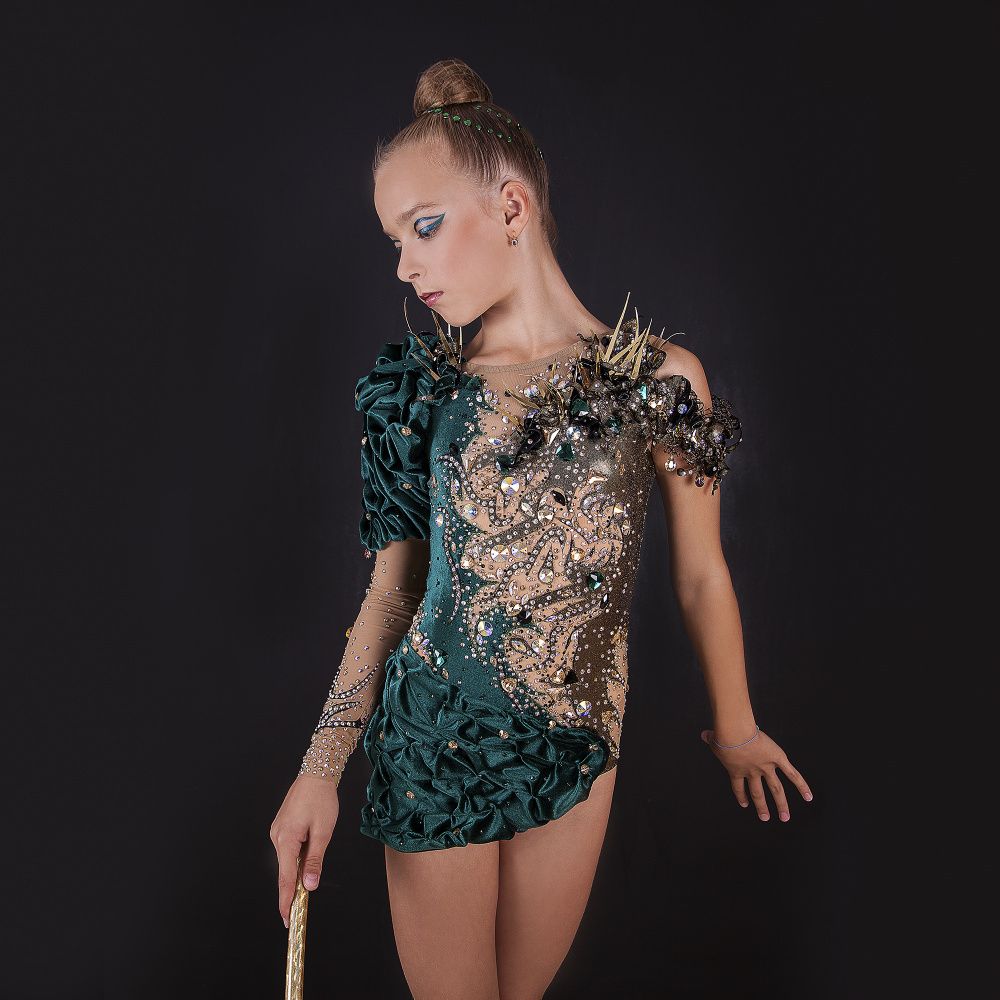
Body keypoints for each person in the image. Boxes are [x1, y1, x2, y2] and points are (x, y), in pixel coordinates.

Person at [270, 57, 813, 999]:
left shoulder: (657, 381)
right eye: (393, 239)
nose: (404, 265)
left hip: (579, 742)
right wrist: (320, 769)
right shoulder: (422, 393)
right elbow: (393, 592)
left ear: (511, 207)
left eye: (423, 227)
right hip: (435, 740)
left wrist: (735, 727)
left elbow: (700, 576)